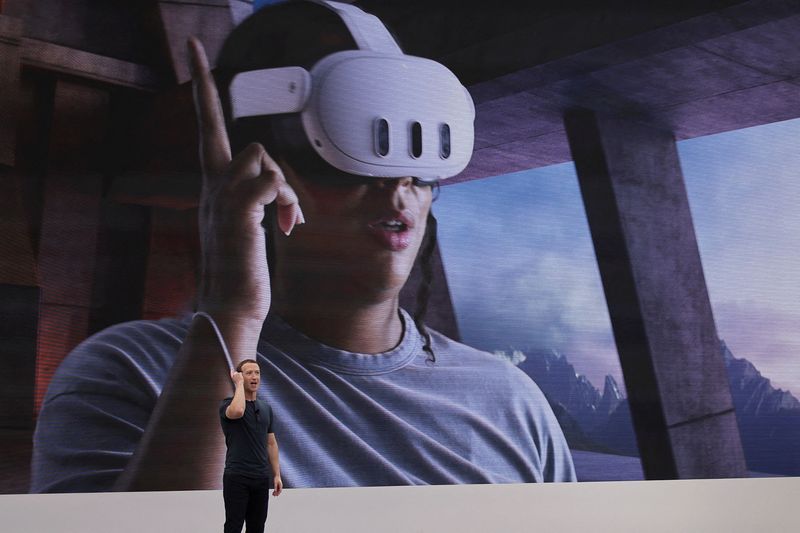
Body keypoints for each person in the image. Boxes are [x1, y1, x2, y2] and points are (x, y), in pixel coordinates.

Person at [30, 1, 575, 493]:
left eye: (415, 166)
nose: (395, 186)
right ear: (261, 170)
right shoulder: (129, 372)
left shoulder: (510, 402)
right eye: (342, 149)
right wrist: (230, 316)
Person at [221, 359, 282, 533]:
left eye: (257, 373)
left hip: (260, 477)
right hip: (237, 476)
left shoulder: (266, 408)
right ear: (240, 377)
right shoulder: (227, 405)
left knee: (257, 528)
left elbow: (271, 442)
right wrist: (239, 384)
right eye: (248, 373)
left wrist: (276, 474)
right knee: (234, 526)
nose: (254, 377)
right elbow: (238, 411)